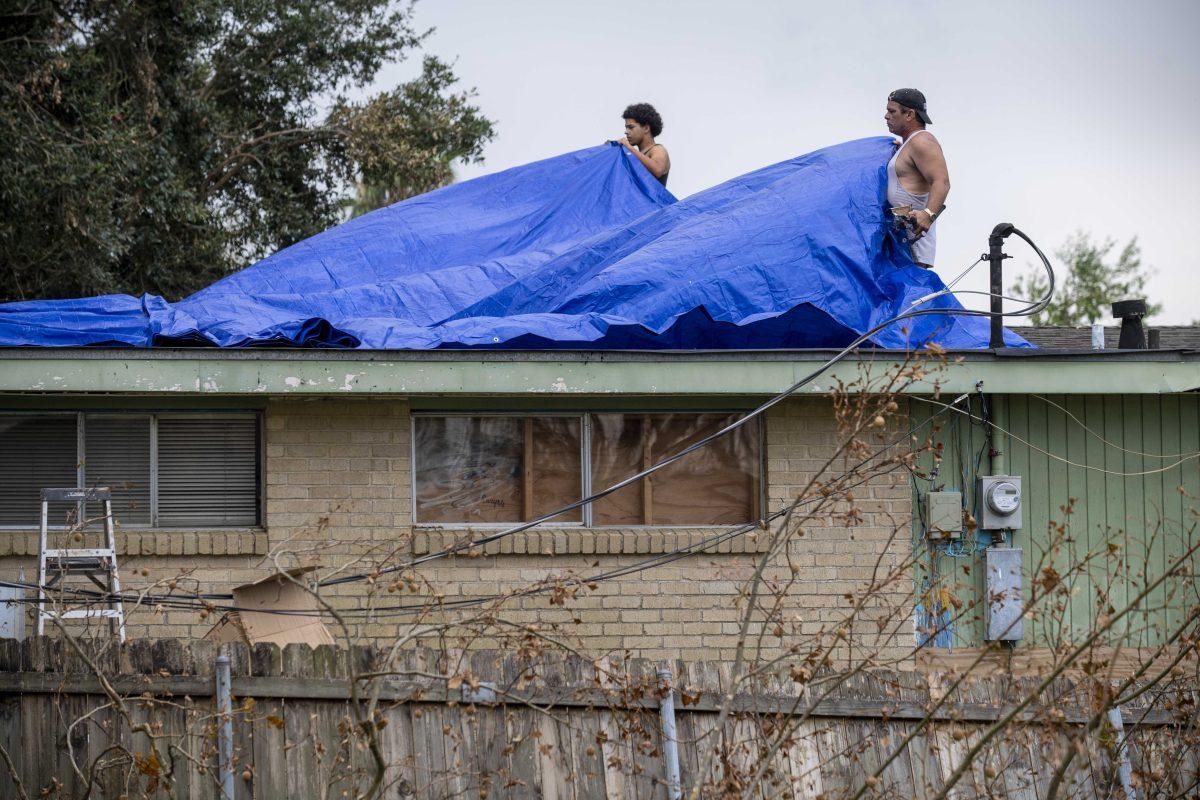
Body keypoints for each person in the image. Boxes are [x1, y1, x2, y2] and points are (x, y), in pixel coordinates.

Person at [884, 88, 949, 268]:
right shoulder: (909, 144)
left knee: (912, 296)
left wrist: (928, 214)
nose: (886, 116)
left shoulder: (922, 141)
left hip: (912, 251)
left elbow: (941, 181)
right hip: (899, 247)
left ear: (910, 114)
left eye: (892, 111)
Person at [615, 103, 670, 187]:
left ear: (646, 128)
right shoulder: (638, 154)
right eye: (626, 127)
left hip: (654, 200)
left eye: (631, 127)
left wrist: (629, 148)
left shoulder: (658, 149)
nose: (626, 132)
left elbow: (658, 170)